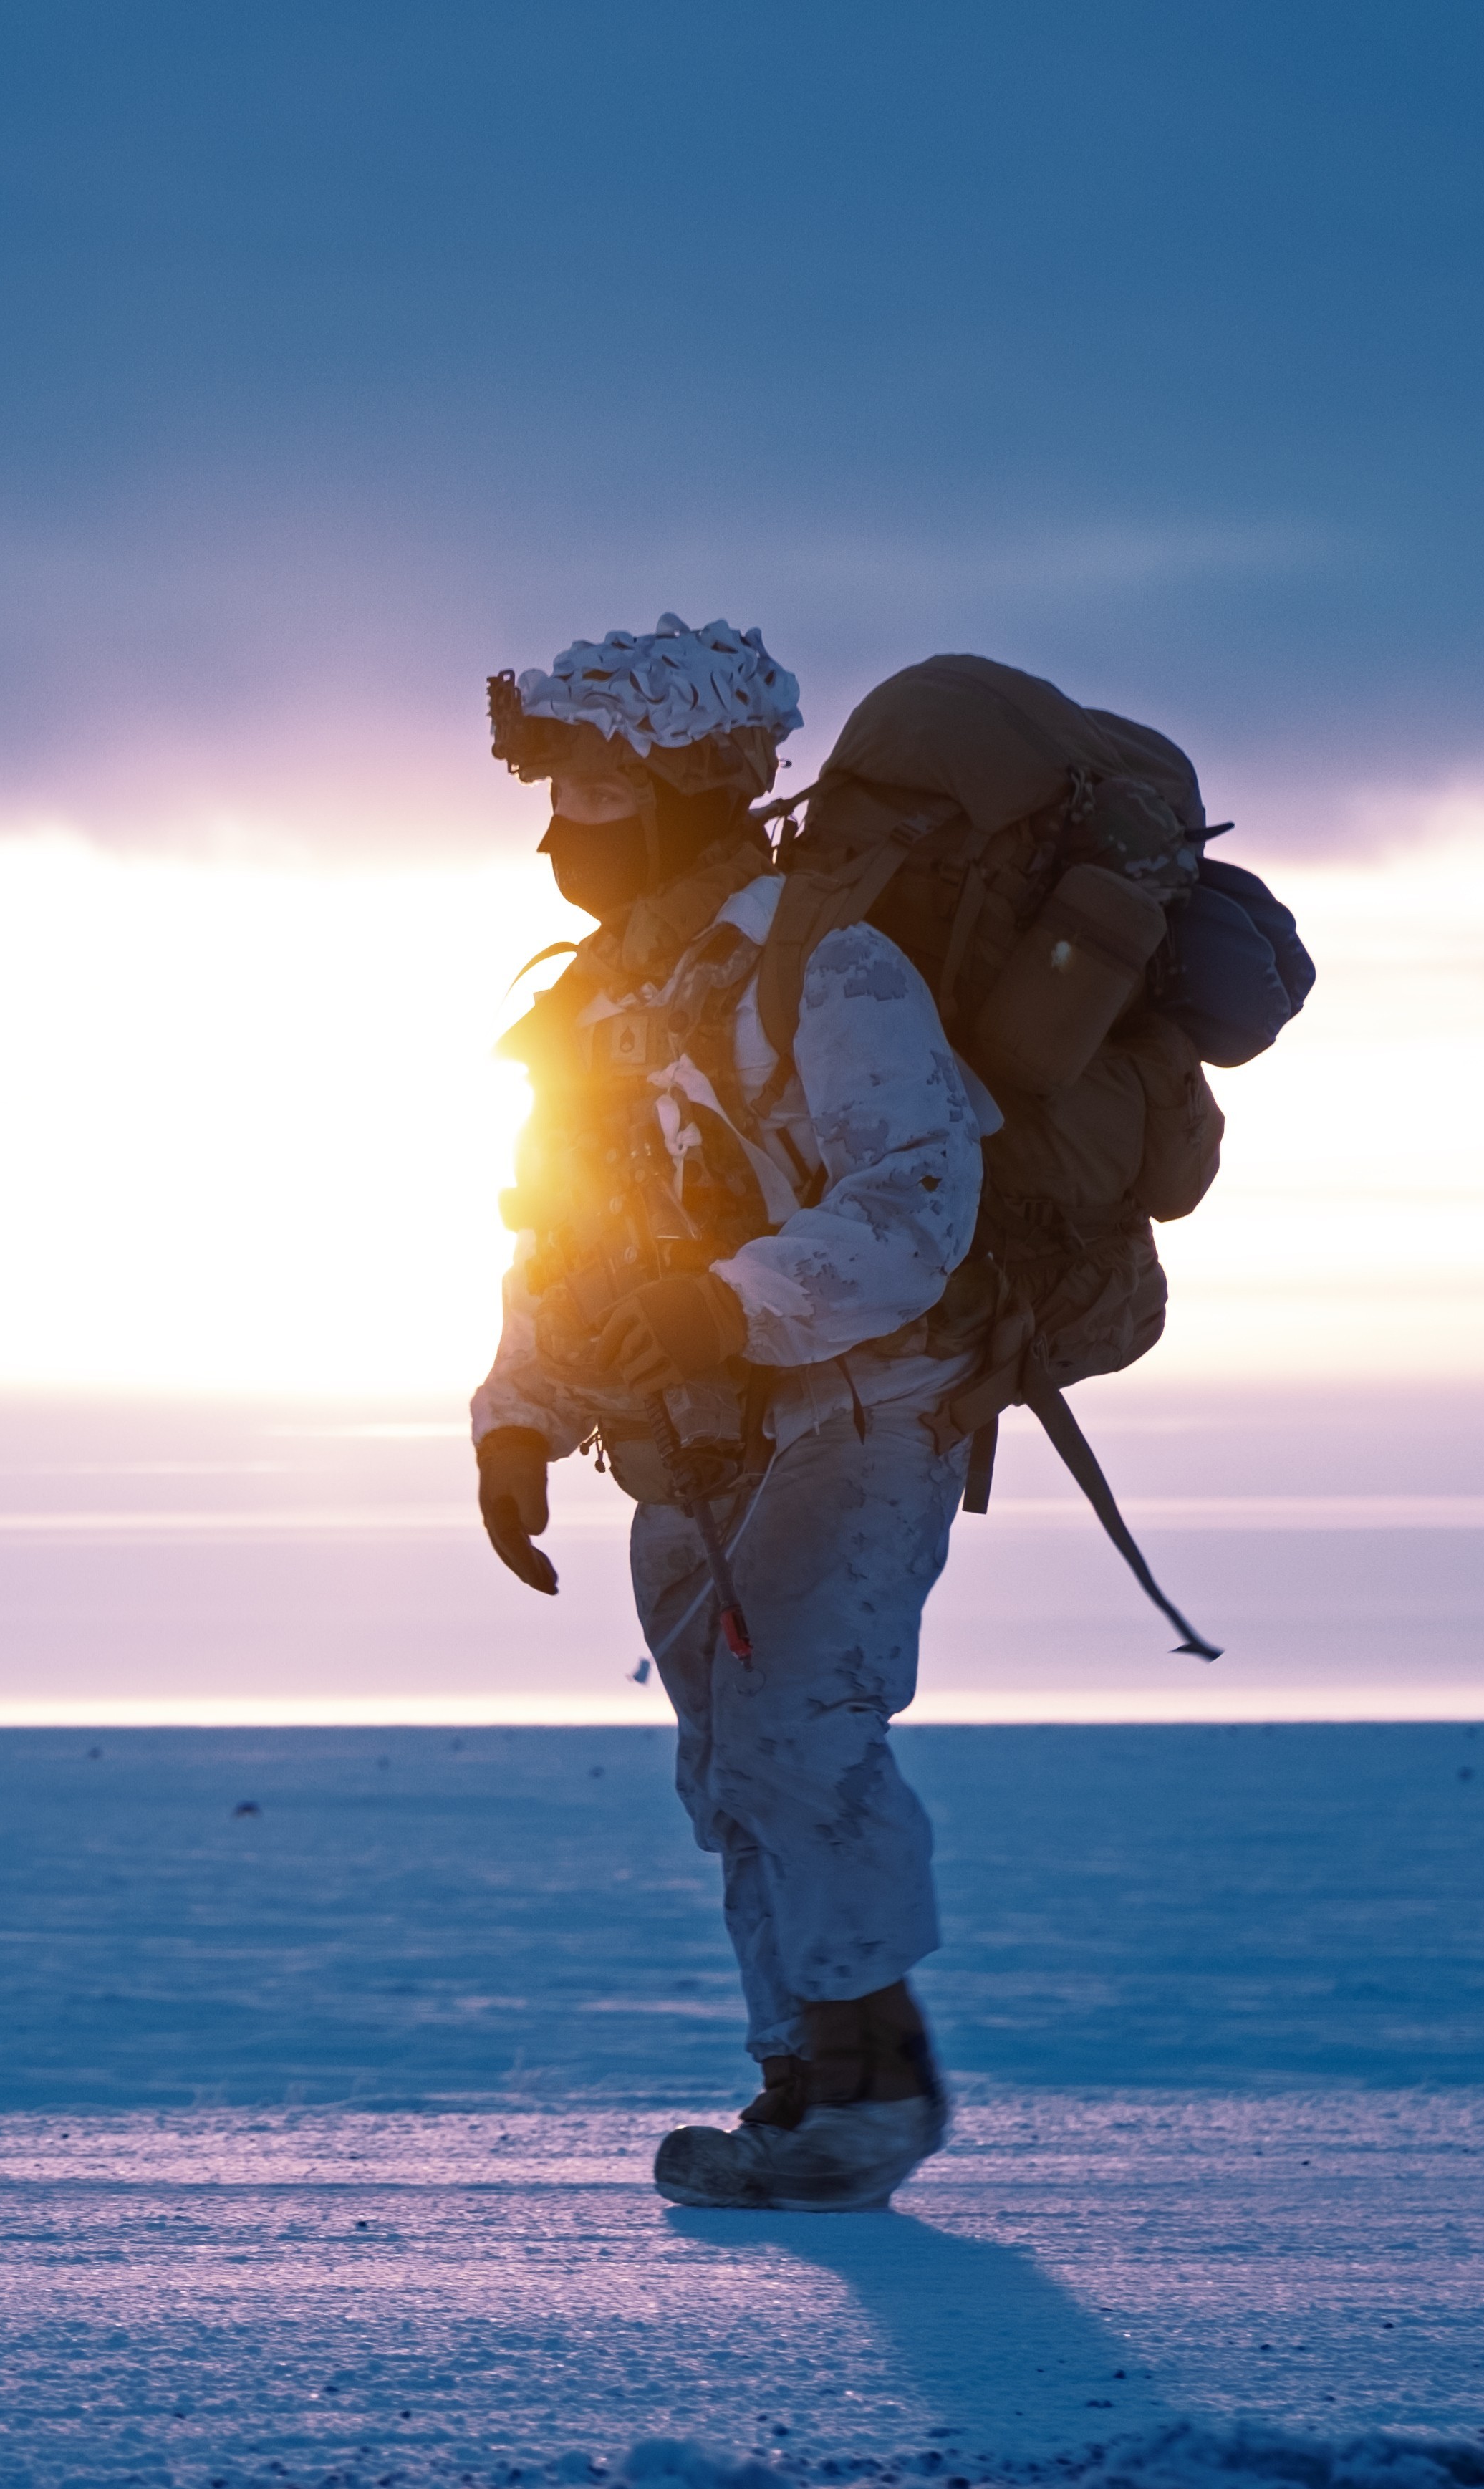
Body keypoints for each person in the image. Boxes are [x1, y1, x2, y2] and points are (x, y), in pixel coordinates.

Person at [466, 617, 992, 2211]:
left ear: (695, 786)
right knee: (727, 1763)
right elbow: (566, 1238)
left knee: (797, 1738)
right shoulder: (601, 1008)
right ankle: (796, 2084)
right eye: (553, 794)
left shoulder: (819, 966)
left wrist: (731, 1299)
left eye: (596, 793)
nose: (562, 832)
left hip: (857, 1410)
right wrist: (513, 1412)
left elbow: (917, 1201)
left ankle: (871, 2084)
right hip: (691, 1446)